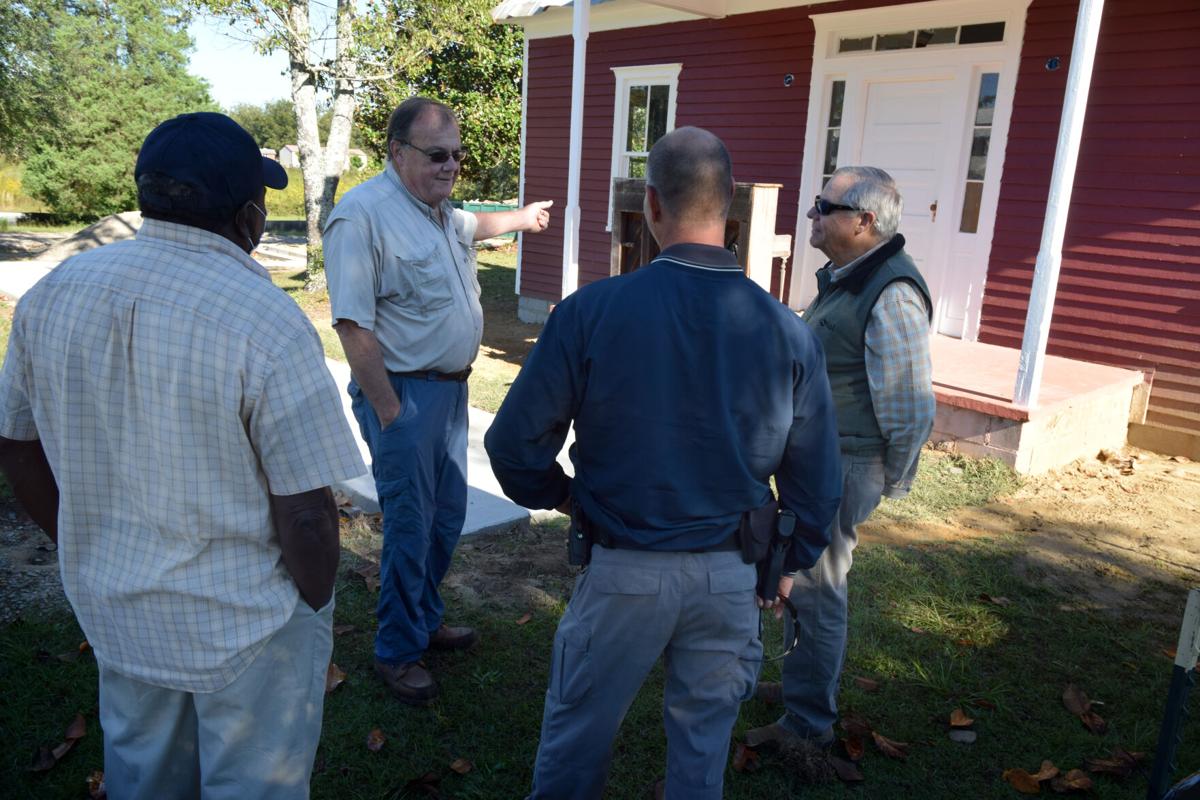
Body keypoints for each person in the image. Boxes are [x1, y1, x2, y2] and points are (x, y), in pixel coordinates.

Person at [0, 112, 366, 799]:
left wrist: (87, 542)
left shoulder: (51, 296)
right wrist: (315, 606)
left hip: (117, 606)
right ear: (252, 219)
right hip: (248, 625)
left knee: (143, 778)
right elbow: (309, 516)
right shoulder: (265, 320)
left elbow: (14, 446)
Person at [484, 127, 843, 800]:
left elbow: (512, 448)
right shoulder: (790, 333)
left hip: (624, 570)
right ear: (729, 208)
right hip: (731, 578)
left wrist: (565, 497)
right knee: (701, 758)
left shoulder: (591, 311)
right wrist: (784, 564)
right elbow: (818, 486)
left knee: (574, 746)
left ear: (650, 205)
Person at [322, 96, 553, 705]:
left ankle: (424, 619)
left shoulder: (440, 211)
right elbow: (352, 325)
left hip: (448, 396)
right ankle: (397, 650)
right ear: (397, 152)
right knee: (409, 525)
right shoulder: (362, 216)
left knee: (446, 517)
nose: (451, 166)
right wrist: (391, 412)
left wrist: (523, 217)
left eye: (456, 155)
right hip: (404, 397)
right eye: (436, 155)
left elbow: (478, 224)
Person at [747, 165, 936, 750]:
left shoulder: (893, 292)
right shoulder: (850, 278)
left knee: (816, 586)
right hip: (824, 457)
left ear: (864, 221)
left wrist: (890, 477)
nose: (812, 215)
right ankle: (804, 682)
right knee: (800, 576)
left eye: (823, 207)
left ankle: (808, 724)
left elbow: (908, 406)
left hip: (848, 462)